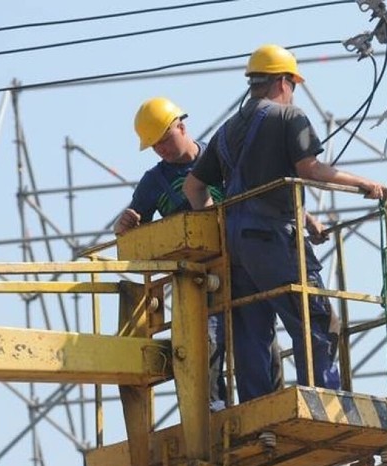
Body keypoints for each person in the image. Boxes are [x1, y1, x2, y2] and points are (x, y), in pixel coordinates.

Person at [184, 44, 387, 403]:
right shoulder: (289, 116)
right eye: (292, 83)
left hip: (235, 245)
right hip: (274, 241)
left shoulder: (227, 130)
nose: (292, 90)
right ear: (282, 81)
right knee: (315, 319)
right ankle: (323, 399)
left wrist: (218, 227)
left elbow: (193, 186)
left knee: (252, 330)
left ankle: (259, 412)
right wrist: (365, 184)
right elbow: (309, 170)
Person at [115, 96, 282, 410]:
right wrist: (124, 226)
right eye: (155, 146)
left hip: (242, 265)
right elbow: (134, 233)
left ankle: (268, 407)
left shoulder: (222, 156)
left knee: (260, 338)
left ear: (182, 125)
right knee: (201, 343)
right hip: (196, 279)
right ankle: (212, 412)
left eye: (165, 139)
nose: (162, 149)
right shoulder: (154, 182)